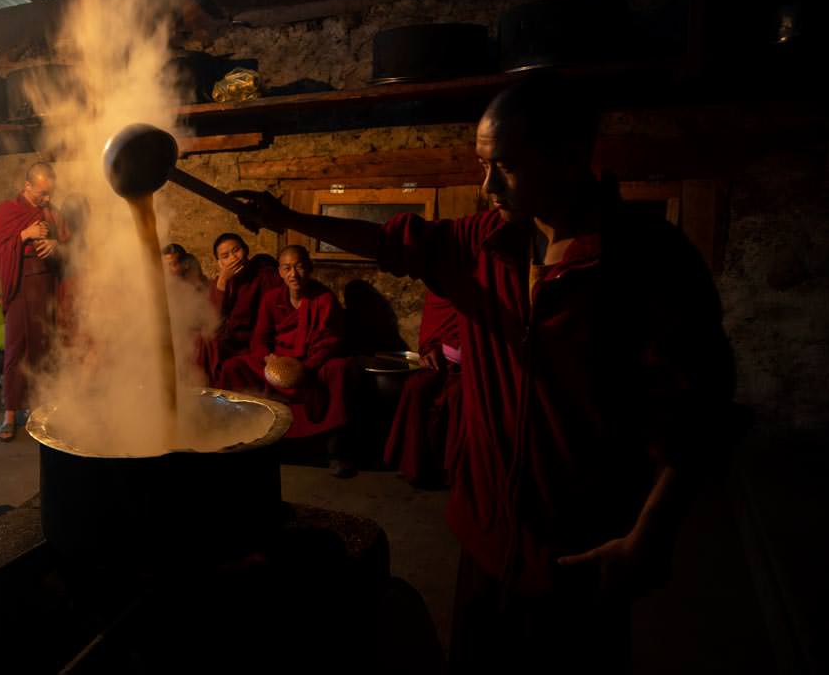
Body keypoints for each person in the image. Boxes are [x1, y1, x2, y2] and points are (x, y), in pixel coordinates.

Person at [232, 76, 736, 671]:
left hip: (582, 549)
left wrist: (647, 536)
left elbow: (701, 411)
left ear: (570, 156)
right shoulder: (484, 243)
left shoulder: (648, 261)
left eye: (507, 166)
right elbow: (390, 241)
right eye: (482, 164)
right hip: (486, 537)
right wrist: (285, 215)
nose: (487, 185)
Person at [216, 245, 354, 476]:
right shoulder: (272, 299)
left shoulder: (324, 299)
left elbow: (330, 341)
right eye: (287, 268)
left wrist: (304, 368)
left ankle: (335, 451)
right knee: (234, 367)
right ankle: (241, 438)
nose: (293, 274)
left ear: (309, 269)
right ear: (280, 272)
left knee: (339, 369)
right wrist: (269, 358)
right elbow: (259, 338)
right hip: (276, 363)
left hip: (311, 364)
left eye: (299, 267)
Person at [0, 162, 67, 442]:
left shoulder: (52, 213)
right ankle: (10, 413)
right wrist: (25, 235)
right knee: (15, 350)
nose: (46, 200)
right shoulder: (8, 211)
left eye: (50, 194)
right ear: (27, 187)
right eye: (42, 194)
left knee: (43, 347)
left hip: (46, 286)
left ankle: (38, 409)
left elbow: (69, 246)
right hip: (22, 288)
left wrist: (56, 246)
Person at [382, 290, 463, 488]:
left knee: (456, 396)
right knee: (415, 387)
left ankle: (452, 473)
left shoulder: (480, 293)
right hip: (440, 363)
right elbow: (431, 333)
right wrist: (429, 350)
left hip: (470, 369)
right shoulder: (439, 293)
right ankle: (414, 466)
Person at [199, 232, 282, 385]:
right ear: (219, 263)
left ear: (246, 250)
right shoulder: (218, 283)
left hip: (253, 342)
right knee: (199, 343)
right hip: (227, 343)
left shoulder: (264, 276)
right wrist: (223, 282)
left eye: (236, 250)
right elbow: (211, 321)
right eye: (225, 256)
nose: (233, 258)